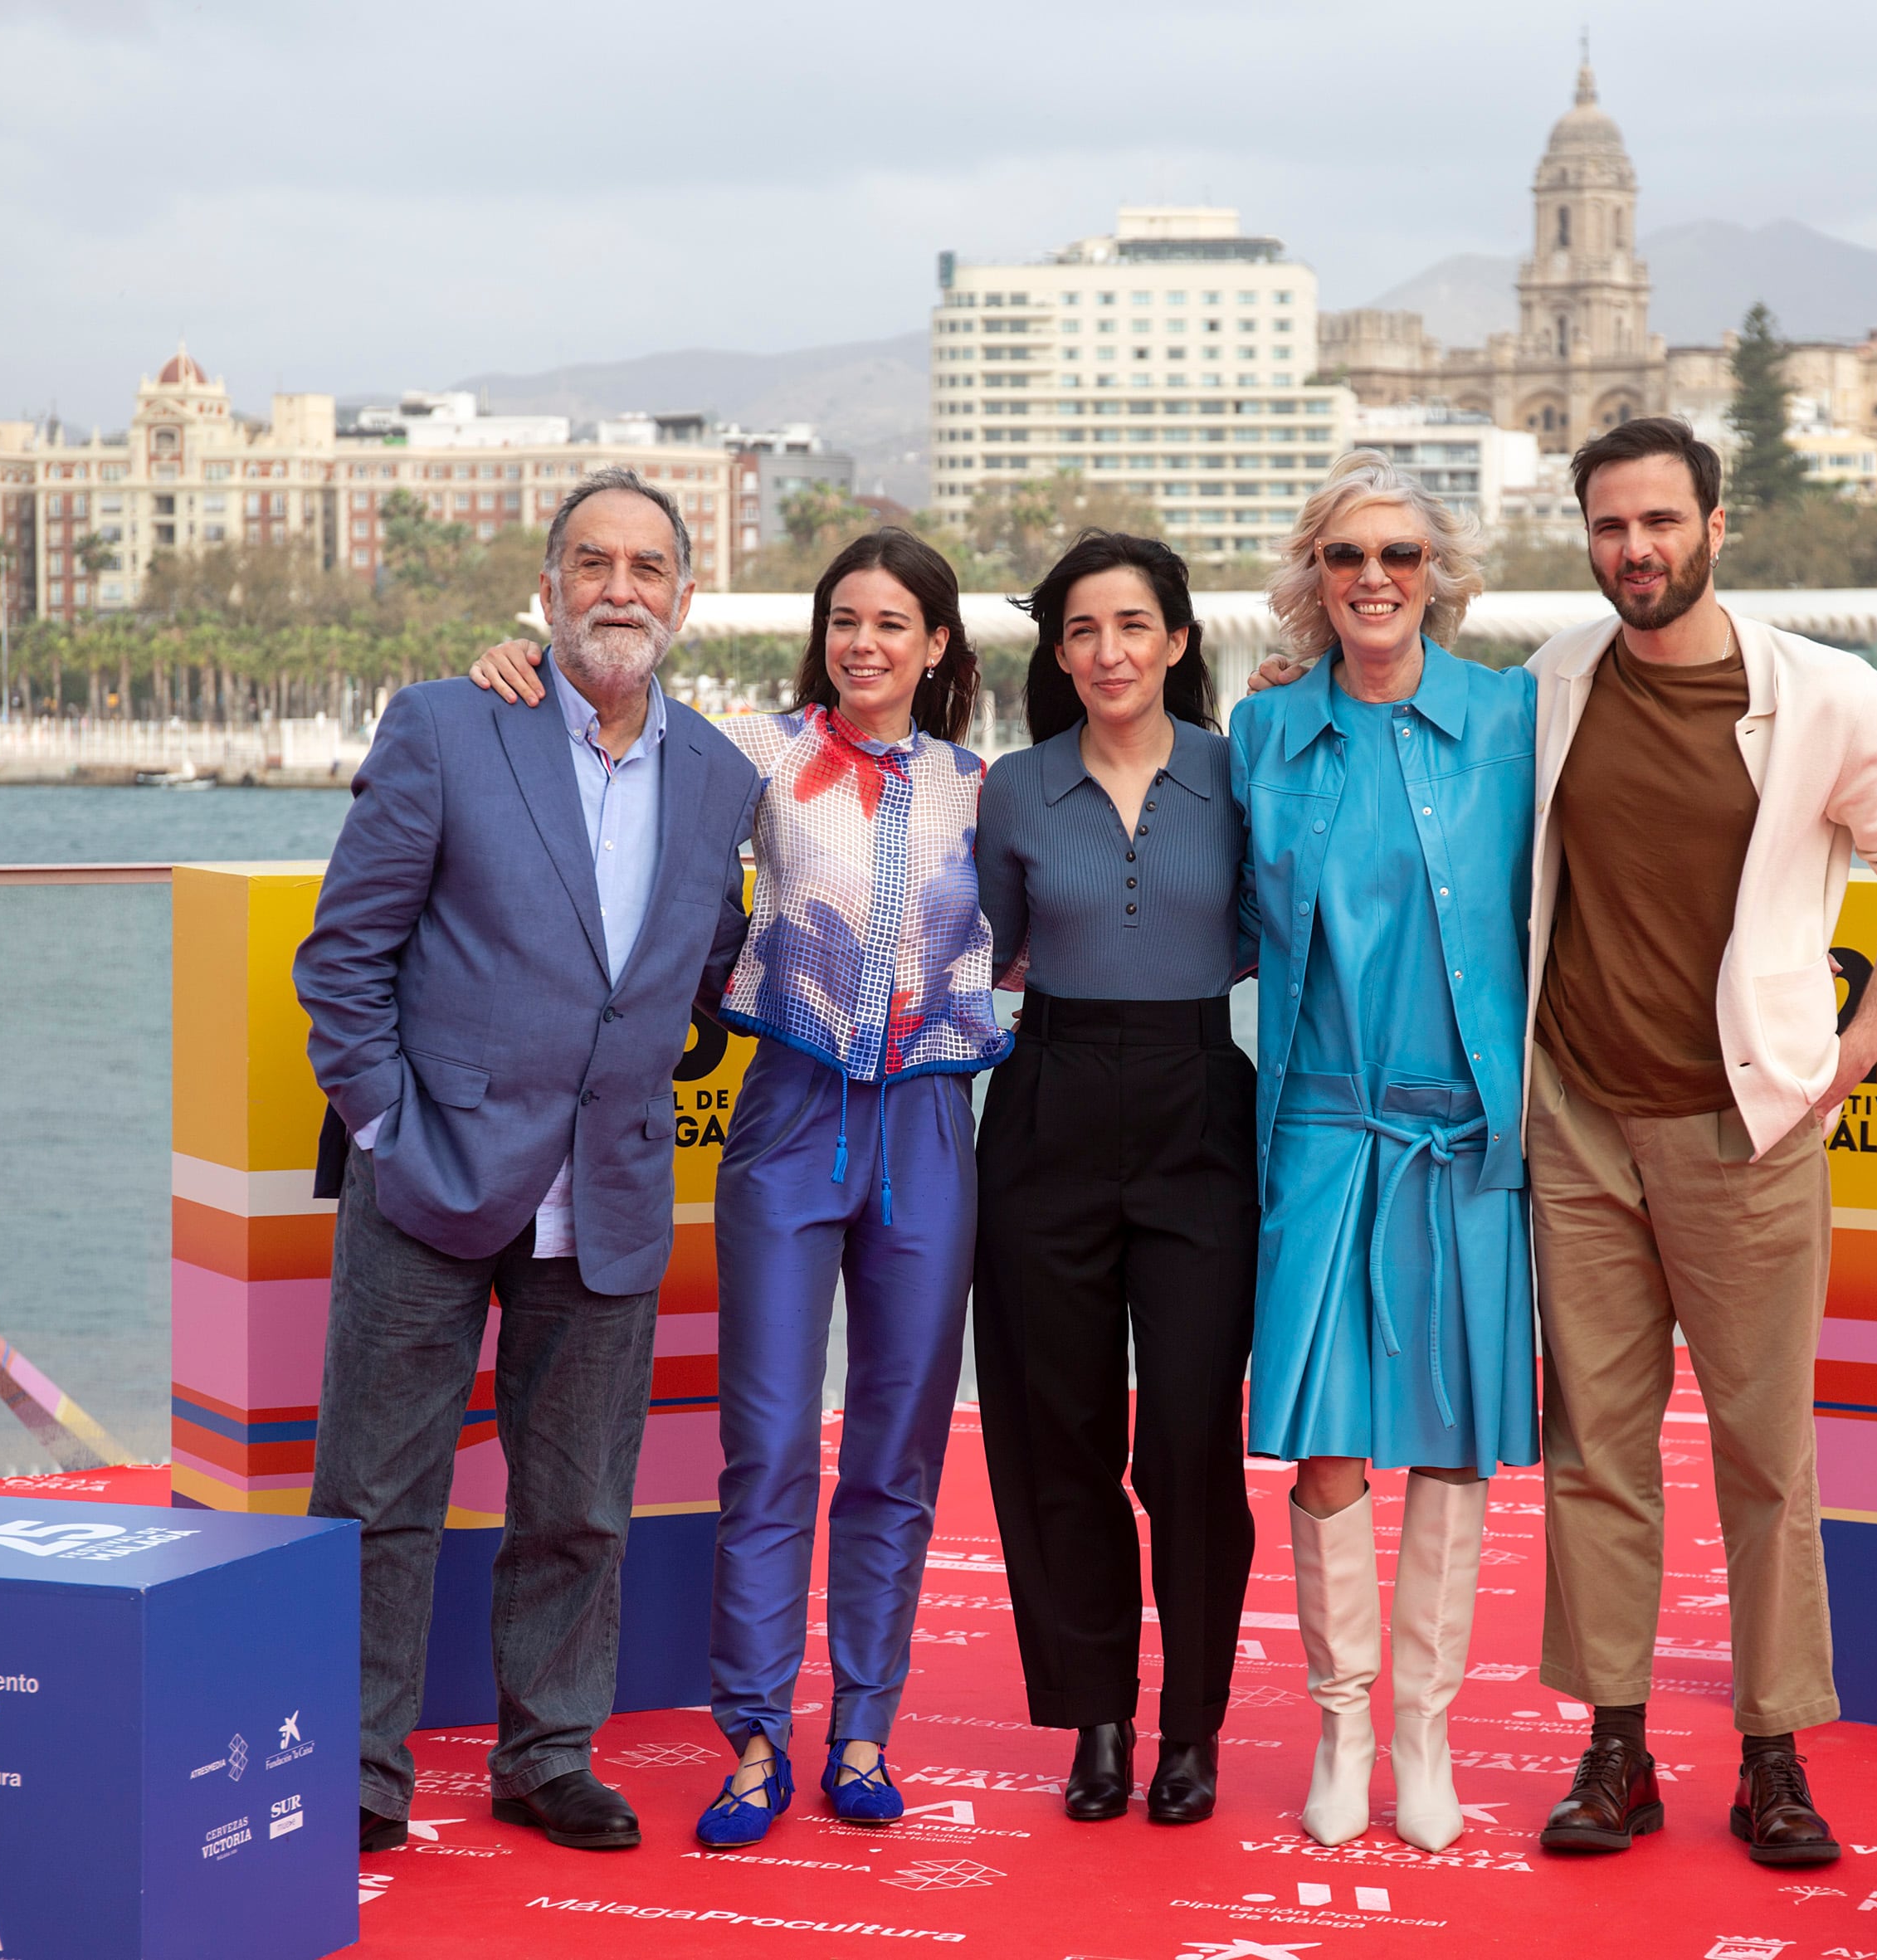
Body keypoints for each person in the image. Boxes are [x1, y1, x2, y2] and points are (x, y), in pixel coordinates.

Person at [466, 528, 1006, 1850]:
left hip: (932, 1128)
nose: (864, 644)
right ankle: (756, 1737)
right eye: (844, 621)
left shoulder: (990, 788)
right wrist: (518, 669)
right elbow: (615, 736)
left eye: (892, 624)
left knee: (897, 1453)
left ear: (937, 645)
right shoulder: (751, 756)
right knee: (766, 1447)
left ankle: (865, 1727)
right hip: (785, 1121)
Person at [1517, 418, 1877, 1865]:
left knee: (1767, 1456)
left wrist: (1858, 1044)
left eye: (1658, 522)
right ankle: (1616, 1749)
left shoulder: (1821, 697)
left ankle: (1773, 1755)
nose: (1633, 551)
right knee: (1596, 1447)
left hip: (1744, 1123)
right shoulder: (1551, 681)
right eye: (1608, 528)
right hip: (1578, 1116)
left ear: (1721, 525)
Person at [296, 466, 760, 1857]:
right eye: (595, 563)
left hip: (610, 1192)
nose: (623, 587)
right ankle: (361, 1767)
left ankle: (548, 1754)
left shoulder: (725, 778)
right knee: (377, 1495)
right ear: (550, 586)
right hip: (430, 1182)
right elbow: (345, 955)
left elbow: (714, 964)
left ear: (684, 595)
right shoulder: (451, 724)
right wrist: (386, 1124)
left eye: (649, 566)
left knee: (579, 1508)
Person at [1229, 453, 1538, 1853]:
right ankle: (1343, 1723)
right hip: (1317, 1131)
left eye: (1401, 555)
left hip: (1464, 1138)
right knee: (1336, 1446)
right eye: (1349, 554)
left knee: (1457, 1443)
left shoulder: (1513, 717)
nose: (1374, 577)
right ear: (1315, 574)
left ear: (1438, 575)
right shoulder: (1260, 734)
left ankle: (1428, 1730)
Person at [973, 531, 1257, 1827]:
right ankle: (1095, 1716)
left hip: (1202, 1104)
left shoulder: (1237, 773)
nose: (1108, 652)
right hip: (1049, 1108)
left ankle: (1191, 1726)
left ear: (1180, 642)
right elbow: (993, 948)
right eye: (1082, 630)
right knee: (1056, 1427)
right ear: (1058, 650)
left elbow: (1266, 935)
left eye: (1134, 626)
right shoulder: (1015, 791)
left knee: (1191, 1433)